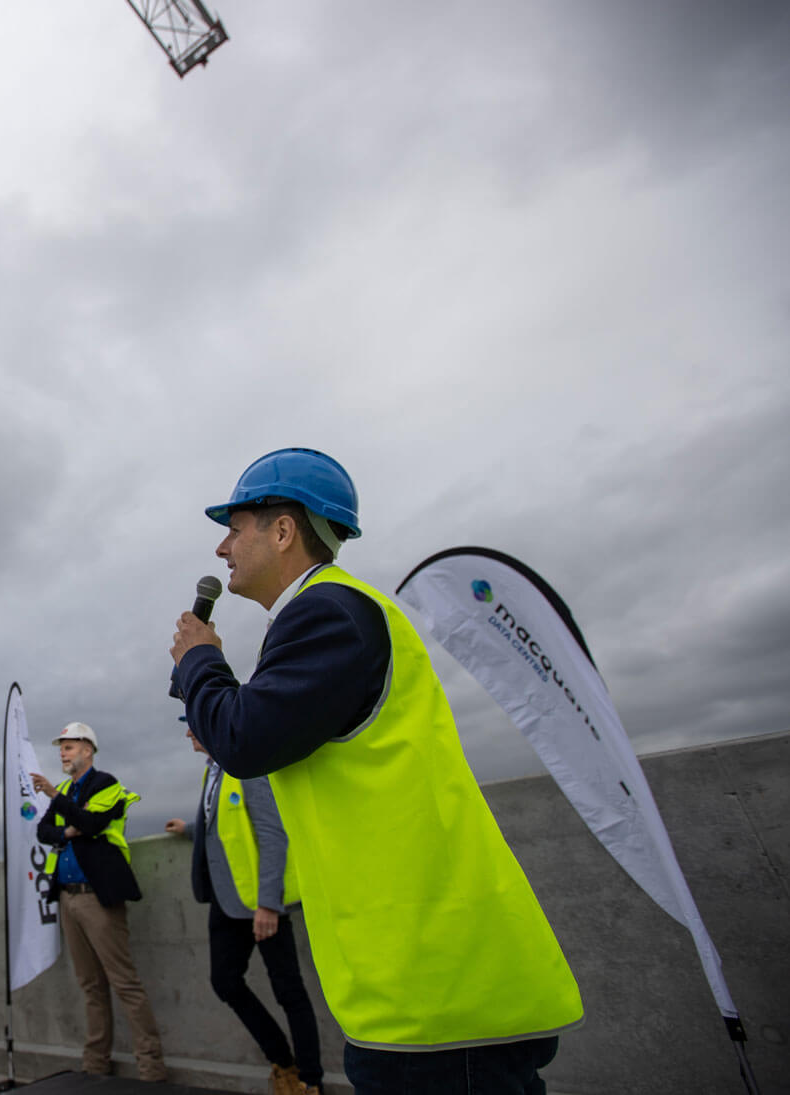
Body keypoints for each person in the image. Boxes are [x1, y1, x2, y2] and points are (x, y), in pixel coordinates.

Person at [169, 448, 583, 1094]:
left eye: (235, 526)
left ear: (282, 531)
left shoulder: (327, 612)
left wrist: (199, 660)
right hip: (422, 997)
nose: (223, 548)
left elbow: (243, 737)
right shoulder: (331, 614)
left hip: (439, 1001)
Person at [166, 718, 324, 1095]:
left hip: (260, 905)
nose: (188, 733)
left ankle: (310, 1081)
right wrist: (189, 829)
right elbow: (224, 822)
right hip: (226, 899)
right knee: (225, 982)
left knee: (290, 991)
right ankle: (282, 1061)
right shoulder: (215, 772)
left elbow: (272, 833)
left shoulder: (248, 770)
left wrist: (269, 905)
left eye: (192, 725)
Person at [32, 722, 168, 1082]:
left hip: (98, 898)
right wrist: (66, 829)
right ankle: (95, 1064)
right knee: (90, 985)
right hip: (68, 898)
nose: (63, 752)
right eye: (61, 747)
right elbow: (43, 831)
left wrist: (61, 805)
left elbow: (92, 825)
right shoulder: (64, 789)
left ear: (88, 750)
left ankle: (150, 1066)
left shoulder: (105, 784)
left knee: (124, 982)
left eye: (69, 747)